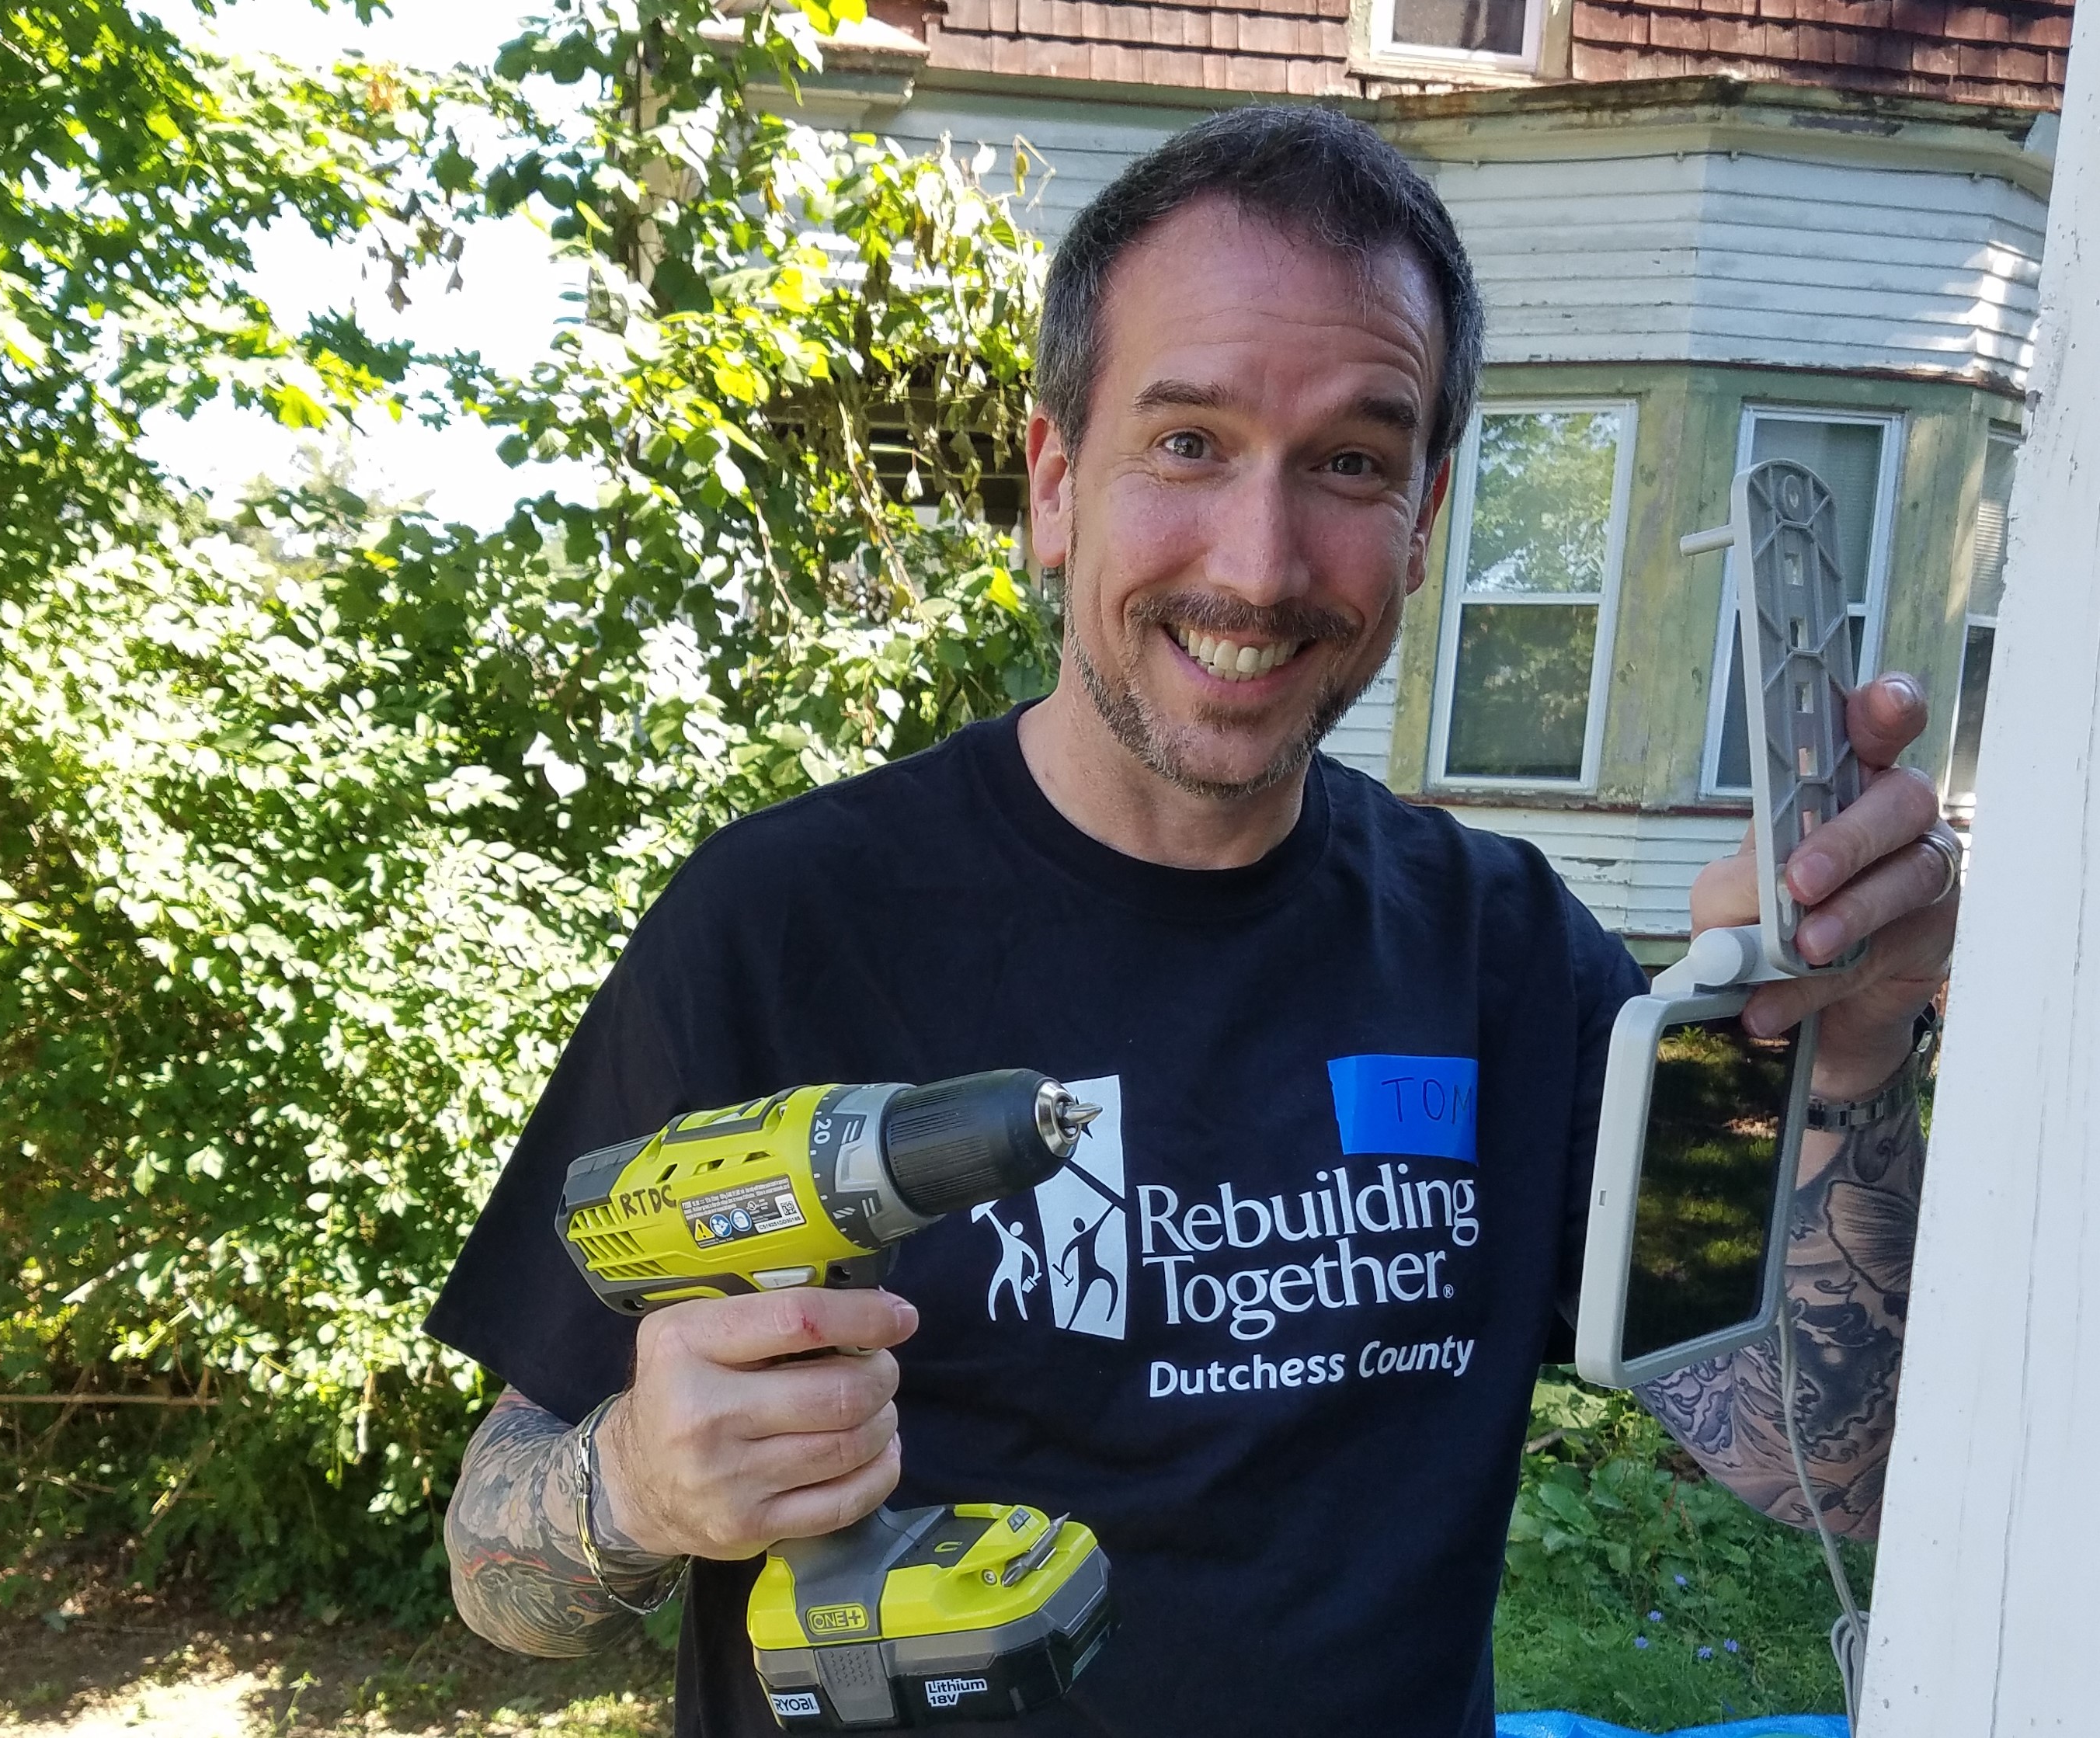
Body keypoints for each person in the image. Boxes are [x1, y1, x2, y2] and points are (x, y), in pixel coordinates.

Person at [423, 106, 1959, 1735]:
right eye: (1187, 441)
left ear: (1427, 518)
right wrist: (636, 1488)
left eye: (1352, 462)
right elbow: (490, 1556)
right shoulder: (785, 923)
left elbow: (1820, 1462)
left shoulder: (1510, 955)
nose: (1262, 559)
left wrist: (1846, 1051)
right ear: (1054, 484)